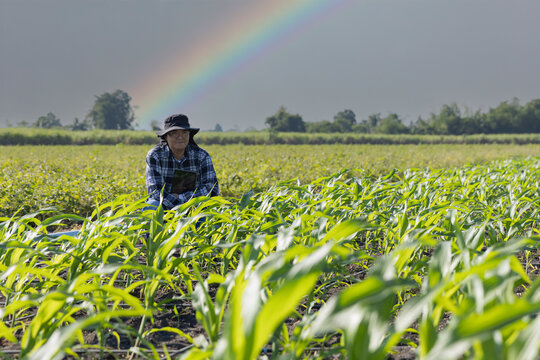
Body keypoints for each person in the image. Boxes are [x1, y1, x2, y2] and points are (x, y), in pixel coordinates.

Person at [145, 114, 219, 210]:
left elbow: (211, 189)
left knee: (210, 209)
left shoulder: (201, 156)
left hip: (194, 207)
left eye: (184, 133)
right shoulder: (155, 155)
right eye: (174, 133)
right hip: (165, 207)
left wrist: (181, 198)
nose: (180, 137)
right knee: (152, 206)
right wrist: (178, 205)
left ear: (189, 135)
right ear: (166, 137)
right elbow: (154, 192)